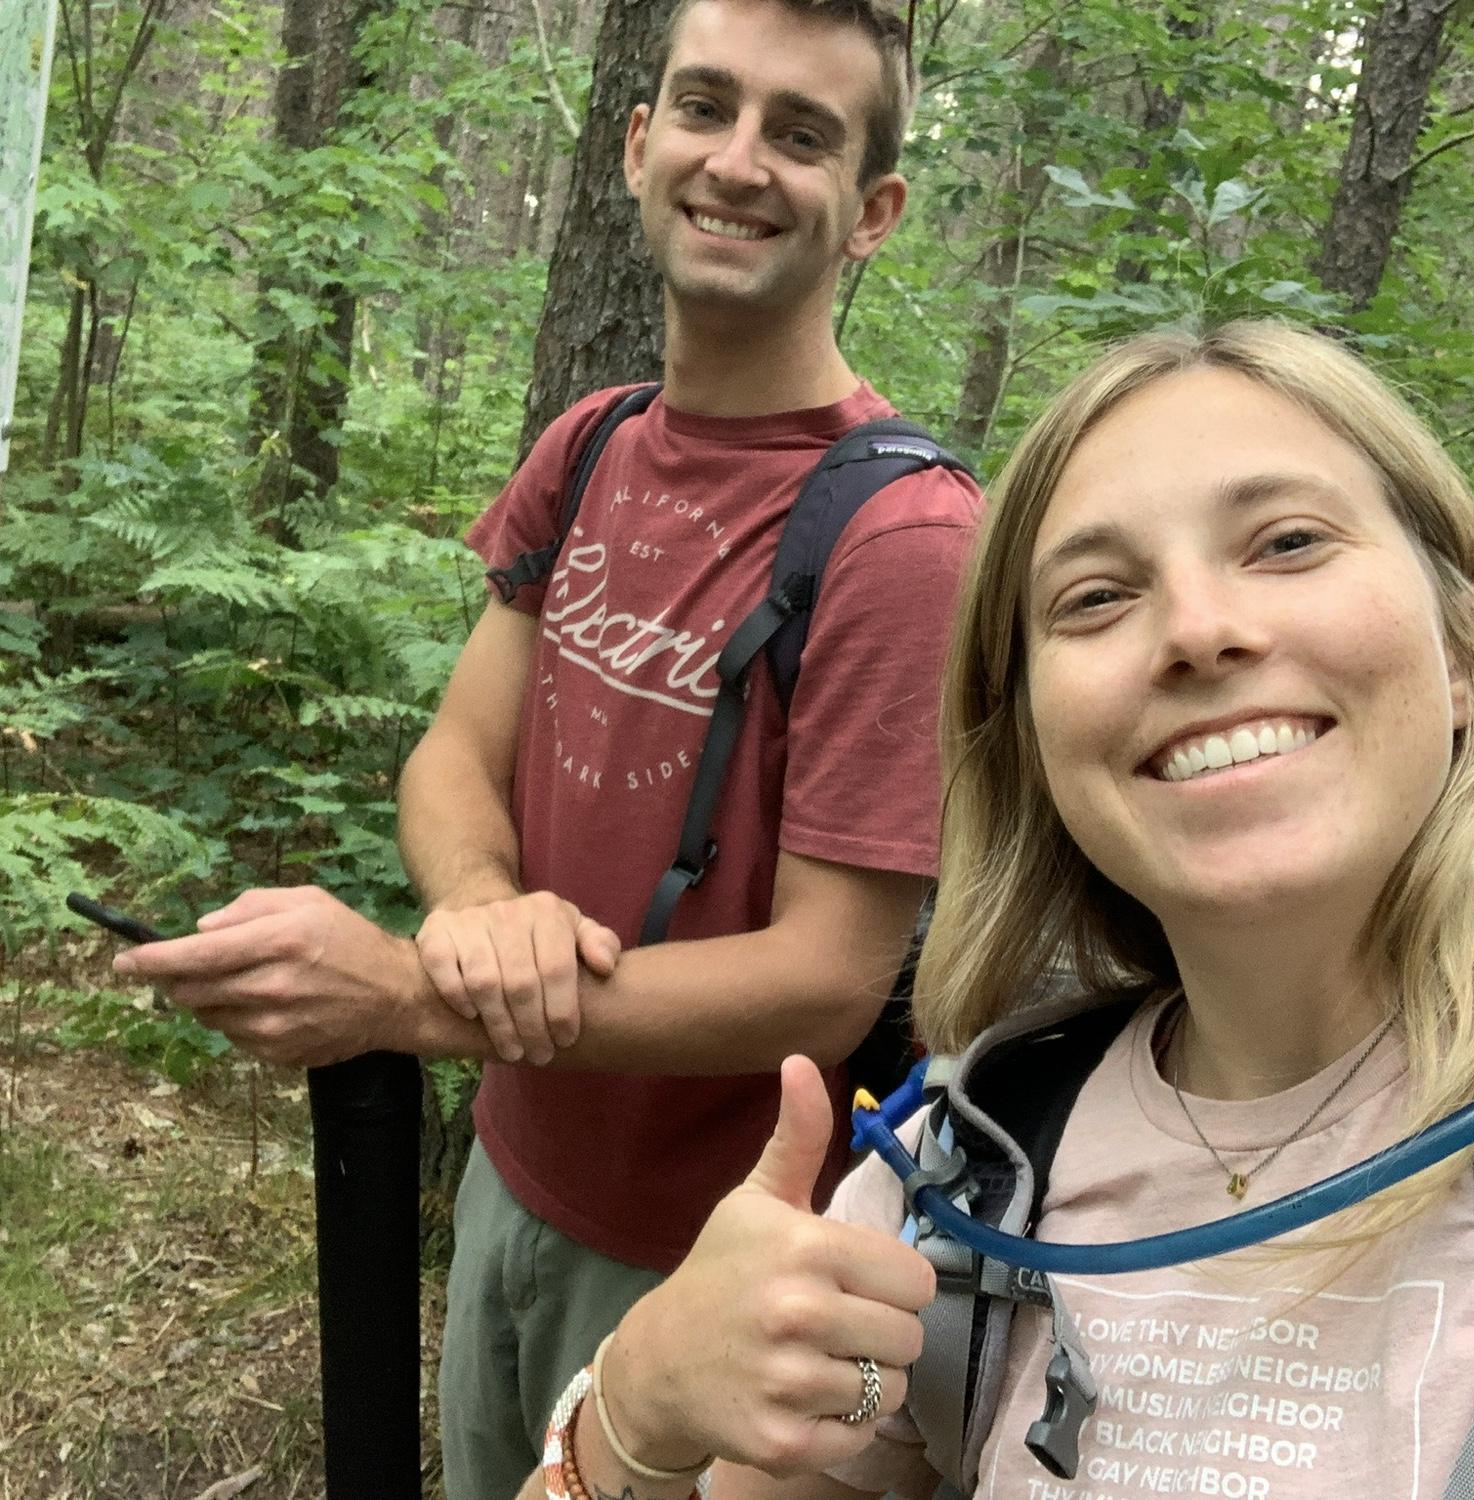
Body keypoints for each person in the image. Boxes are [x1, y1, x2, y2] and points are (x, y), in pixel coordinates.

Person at [113, 2, 981, 1496]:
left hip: (729, 1252)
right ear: (640, 149)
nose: (740, 161)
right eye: (704, 108)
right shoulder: (590, 445)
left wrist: (405, 996)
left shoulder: (906, 539)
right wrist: (473, 919)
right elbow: (457, 751)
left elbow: (828, 975)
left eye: (803, 132)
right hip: (517, 1175)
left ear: (873, 213)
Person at [510, 318, 1474, 1500]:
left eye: (1287, 541)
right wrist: (638, 1408)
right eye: (1094, 598)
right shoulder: (962, 1164)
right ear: (1029, 743)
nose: (1195, 630)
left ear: (1470, 656)